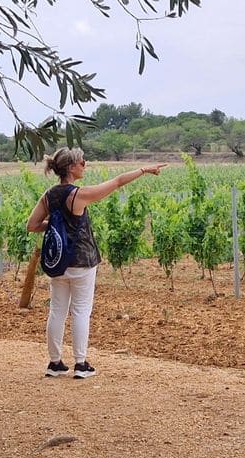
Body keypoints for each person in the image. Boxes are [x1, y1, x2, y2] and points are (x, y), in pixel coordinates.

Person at [26, 147, 166, 379]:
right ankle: (81, 364)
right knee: (81, 311)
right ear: (71, 168)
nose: (85, 164)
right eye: (82, 162)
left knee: (57, 311)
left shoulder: (49, 195)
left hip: (57, 262)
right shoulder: (79, 195)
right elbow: (118, 182)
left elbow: (31, 226)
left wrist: (53, 225)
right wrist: (143, 170)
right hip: (82, 262)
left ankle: (54, 363)